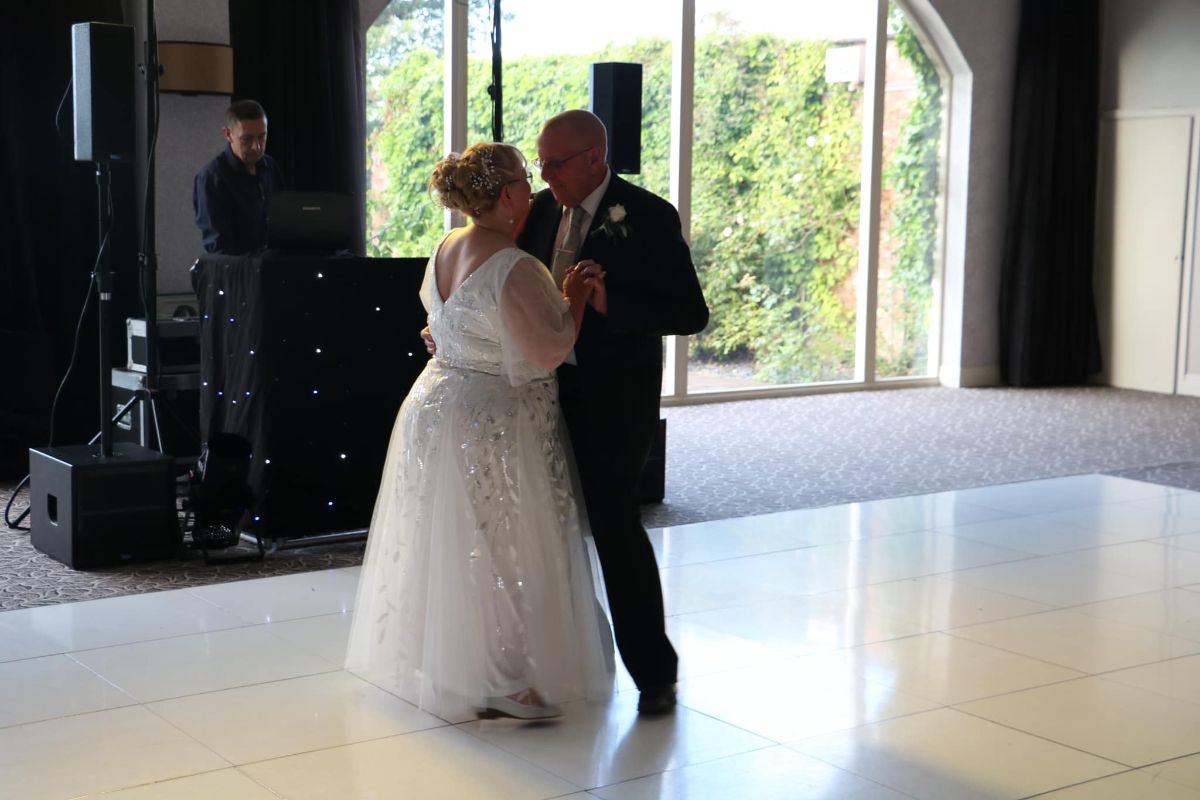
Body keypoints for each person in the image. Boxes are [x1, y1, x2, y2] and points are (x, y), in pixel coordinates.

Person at [345, 142, 613, 723]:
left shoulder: (449, 244)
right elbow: (546, 352)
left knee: (450, 537)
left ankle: (449, 662)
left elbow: (444, 323)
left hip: (435, 406)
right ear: (509, 194)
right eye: (525, 177)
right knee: (502, 542)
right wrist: (574, 302)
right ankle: (505, 677)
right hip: (490, 424)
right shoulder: (515, 265)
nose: (534, 186)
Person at [520, 110, 709, 715]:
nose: (544, 173)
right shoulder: (542, 212)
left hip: (613, 401)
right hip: (542, 393)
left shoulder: (648, 215)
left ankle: (654, 672)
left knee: (613, 526)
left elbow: (689, 313)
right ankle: (547, 669)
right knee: (541, 530)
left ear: (596, 158)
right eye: (541, 161)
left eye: (556, 162)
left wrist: (610, 302)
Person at [192, 99, 285, 255]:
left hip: (272, 269)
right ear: (228, 134)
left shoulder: (270, 167)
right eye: (247, 139)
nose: (257, 146)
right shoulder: (212, 178)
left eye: (262, 136)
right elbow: (218, 248)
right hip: (237, 274)